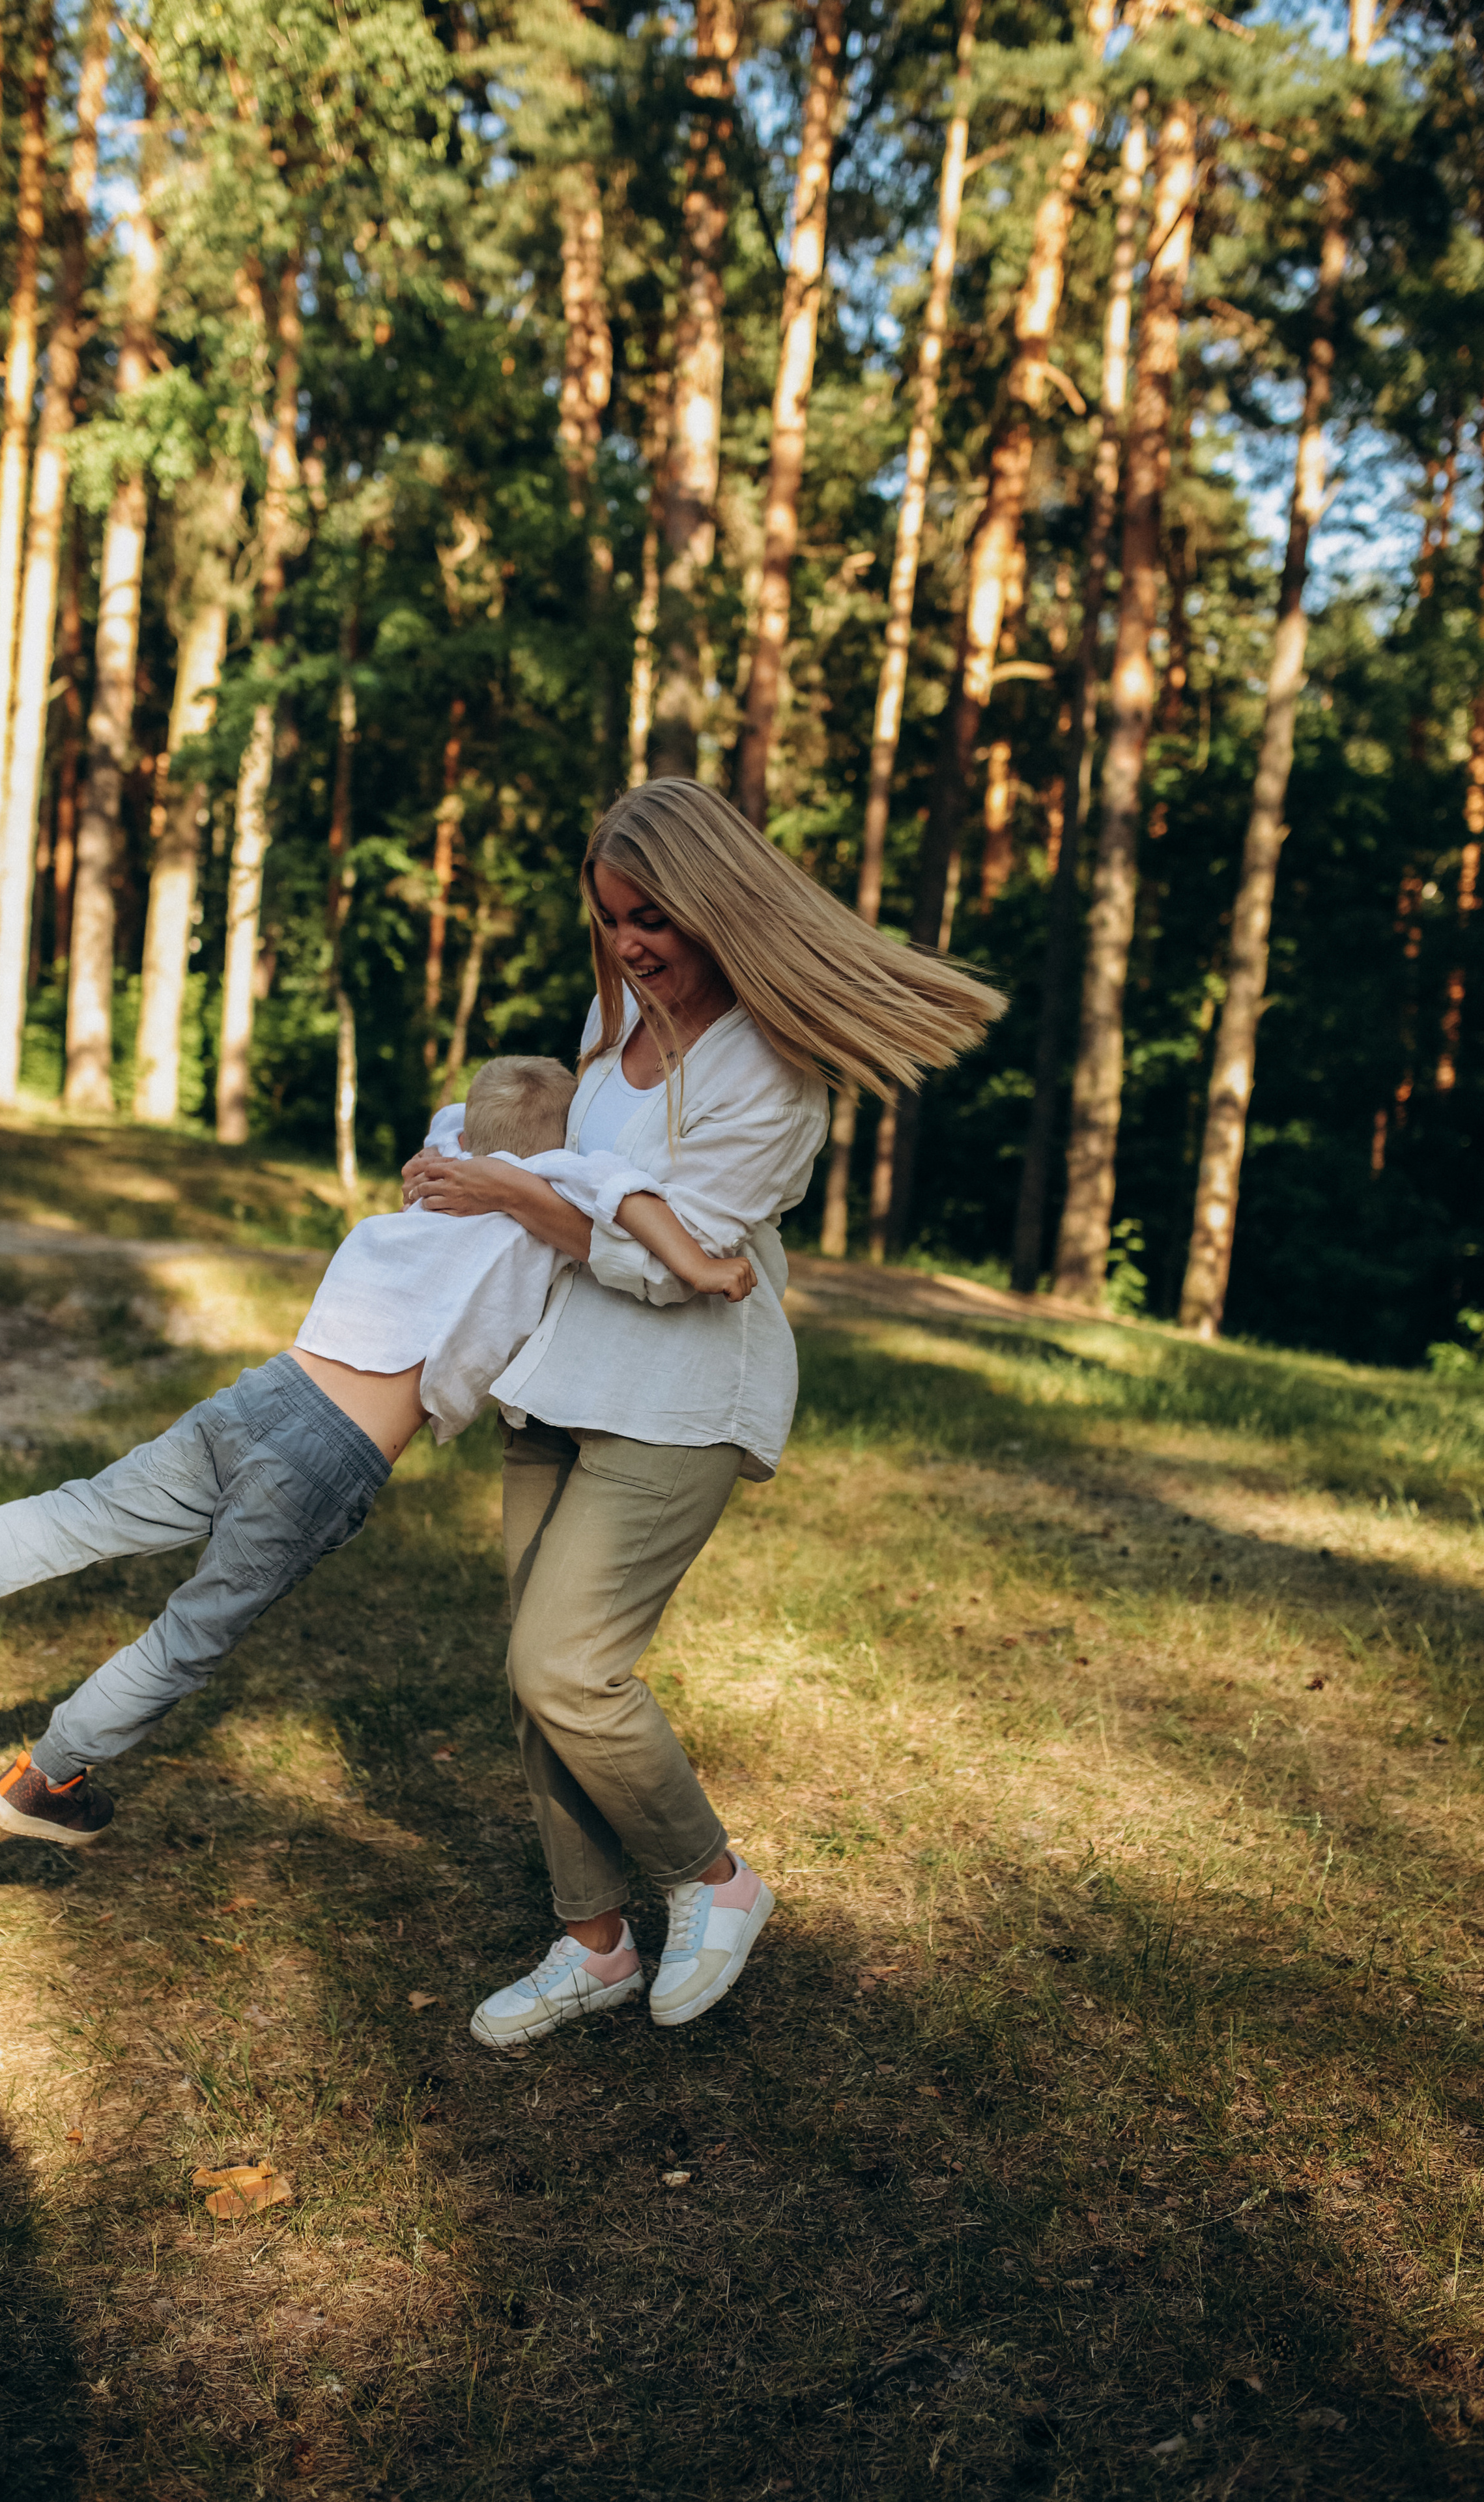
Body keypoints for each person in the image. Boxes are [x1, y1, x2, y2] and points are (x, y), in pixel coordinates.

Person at [397, 778, 1005, 2046]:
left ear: (722, 903)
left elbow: (675, 1262)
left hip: (678, 1394)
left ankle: (715, 1881)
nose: (630, 945)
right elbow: (573, 1173)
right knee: (530, 1681)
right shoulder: (614, 1010)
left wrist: (507, 1196)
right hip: (556, 1373)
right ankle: (593, 1946)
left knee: (569, 1663)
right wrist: (480, 1172)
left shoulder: (774, 1073)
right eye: (614, 919)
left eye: (654, 917)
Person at [0, 1054, 756, 1845]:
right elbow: (630, 1201)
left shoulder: (447, 1160)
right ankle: (46, 1777)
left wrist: (466, 1140)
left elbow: (464, 1117)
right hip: (327, 1458)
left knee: (79, 1514)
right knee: (191, 1633)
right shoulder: (554, 1182)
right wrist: (706, 1267)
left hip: (263, 1395)